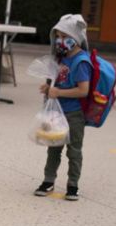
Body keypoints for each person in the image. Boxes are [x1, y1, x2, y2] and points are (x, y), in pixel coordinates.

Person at [35, 14, 92, 202]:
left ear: (76, 37)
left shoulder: (81, 61)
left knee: (74, 150)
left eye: (64, 36)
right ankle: (48, 180)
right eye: (57, 36)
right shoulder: (60, 58)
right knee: (53, 148)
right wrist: (48, 89)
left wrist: (58, 92)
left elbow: (83, 90)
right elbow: (56, 83)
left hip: (74, 113)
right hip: (56, 112)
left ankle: (73, 185)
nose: (60, 41)